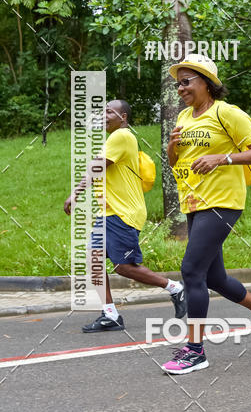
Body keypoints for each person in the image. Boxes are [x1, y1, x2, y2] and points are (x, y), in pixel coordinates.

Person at [161, 55, 251, 375]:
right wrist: (172, 148)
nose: (181, 88)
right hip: (195, 202)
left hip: (223, 201)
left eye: (186, 82)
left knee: (190, 271)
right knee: (213, 277)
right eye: (178, 84)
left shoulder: (226, 113)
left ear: (207, 83)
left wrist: (222, 158)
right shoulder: (185, 118)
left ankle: (195, 350)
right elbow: (177, 164)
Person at [64, 99, 187, 332]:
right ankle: (110, 315)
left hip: (123, 213)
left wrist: (75, 193)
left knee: (123, 266)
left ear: (124, 118)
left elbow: (97, 166)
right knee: (94, 259)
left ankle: (175, 288)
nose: (104, 115)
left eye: (109, 111)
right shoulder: (115, 138)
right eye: (102, 112)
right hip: (109, 213)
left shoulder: (121, 136)